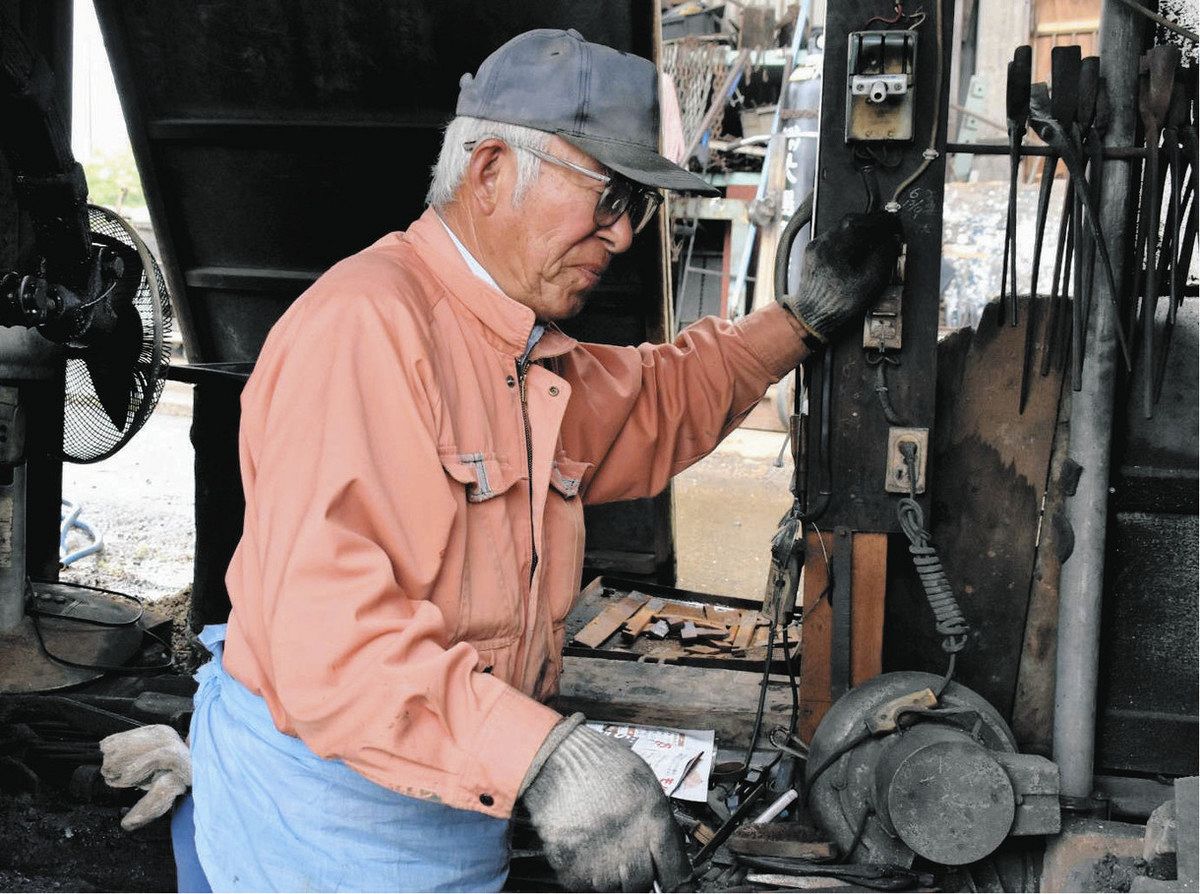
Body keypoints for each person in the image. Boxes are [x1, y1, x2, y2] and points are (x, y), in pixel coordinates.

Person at [103, 28, 902, 893]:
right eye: (610, 197)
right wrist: (543, 753)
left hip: (450, 784)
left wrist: (799, 320)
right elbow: (328, 636)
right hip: (333, 810)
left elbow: (660, 401)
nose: (626, 235)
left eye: (637, 206)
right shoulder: (366, 331)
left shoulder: (519, 351)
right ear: (488, 172)